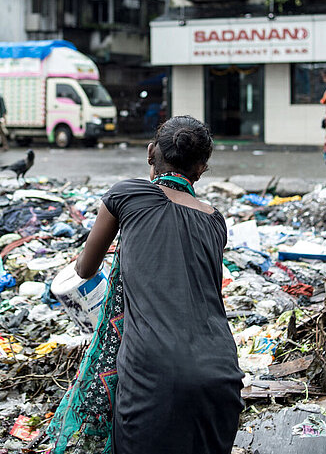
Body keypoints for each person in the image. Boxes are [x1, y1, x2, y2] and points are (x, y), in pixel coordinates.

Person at [66, 115, 244, 454]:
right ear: (202, 169)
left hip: (152, 374)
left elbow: (85, 268)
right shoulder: (214, 220)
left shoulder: (127, 194)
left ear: (151, 153)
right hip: (221, 373)